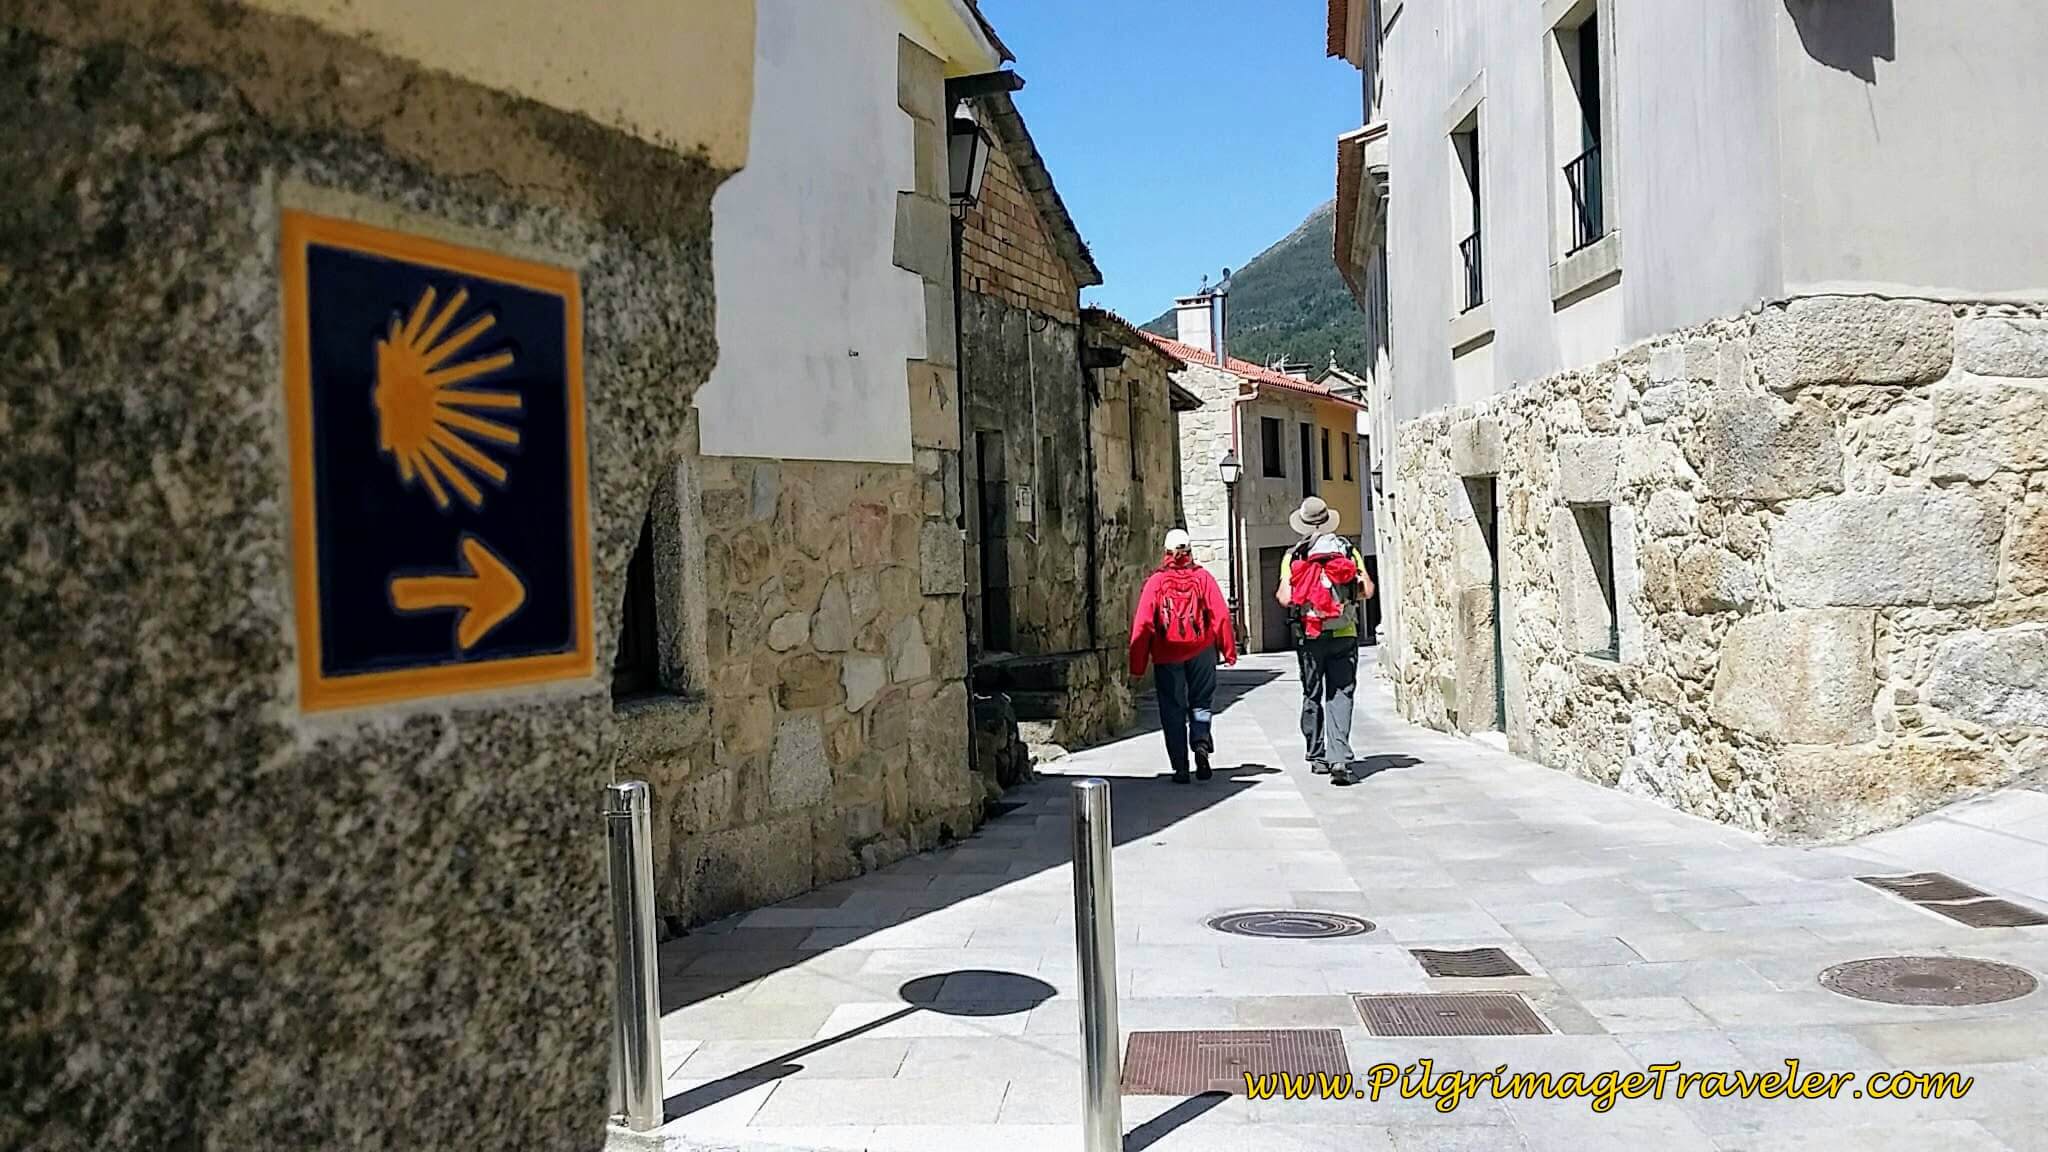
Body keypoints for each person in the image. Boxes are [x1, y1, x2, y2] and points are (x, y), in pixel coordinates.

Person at [1276, 497, 1373, 784]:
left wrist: (1308, 600)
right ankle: (1339, 757)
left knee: (1312, 694)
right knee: (1341, 694)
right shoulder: (1346, 550)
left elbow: (1283, 597)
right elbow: (1366, 589)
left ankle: (1317, 755)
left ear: (1303, 523)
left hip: (1310, 635)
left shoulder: (1294, 555)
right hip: (1345, 632)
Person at [1129, 528, 1237, 783]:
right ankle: (1200, 743)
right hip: (1201, 650)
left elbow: (1143, 624)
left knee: (1172, 708)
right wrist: (1229, 651)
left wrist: (1137, 663)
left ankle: (1180, 767)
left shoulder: (1156, 582)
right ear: (1190, 552)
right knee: (1201, 701)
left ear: (1165, 552)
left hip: (1167, 653)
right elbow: (1220, 616)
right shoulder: (1203, 578)